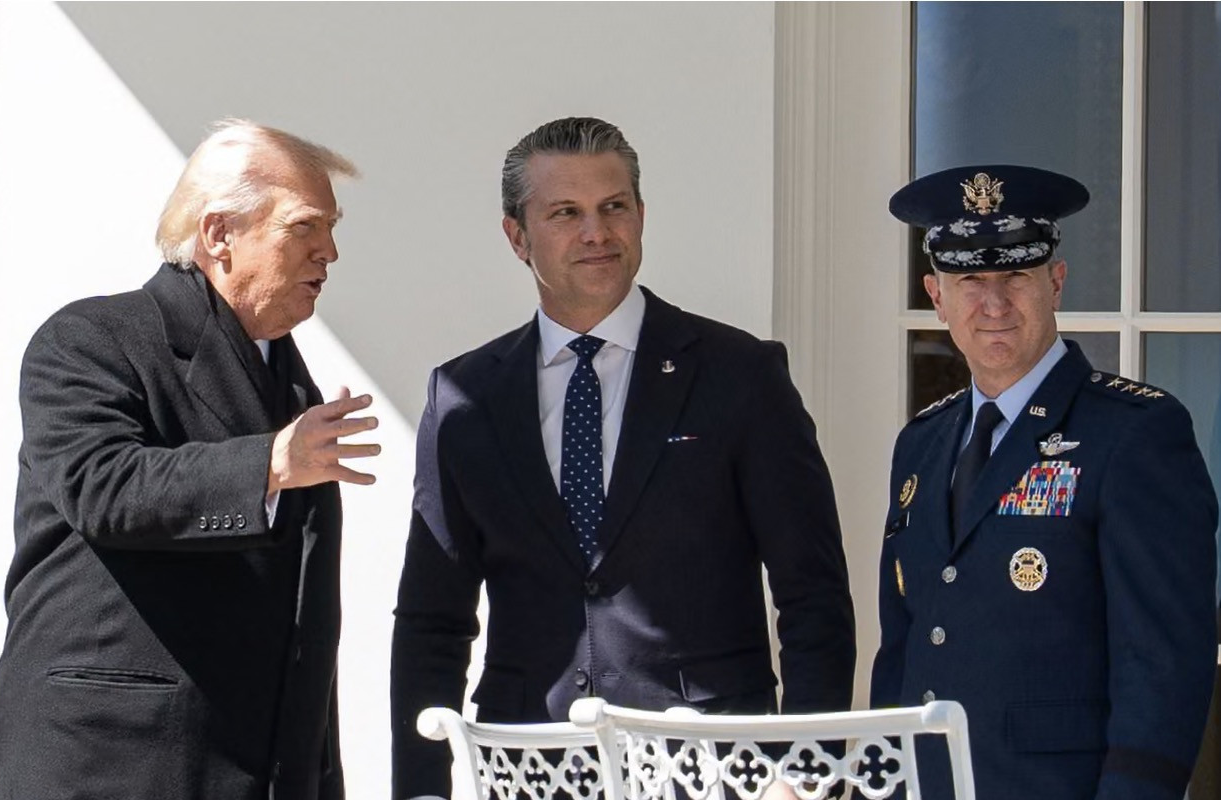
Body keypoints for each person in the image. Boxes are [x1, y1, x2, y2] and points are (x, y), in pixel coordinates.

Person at [390, 116, 856, 799]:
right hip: (530, 765)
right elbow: (433, 619)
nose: (596, 234)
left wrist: (807, 769)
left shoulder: (740, 375)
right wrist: (422, 789)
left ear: (641, 215)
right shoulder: (465, 396)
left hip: (712, 764)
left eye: (614, 208)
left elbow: (812, 592)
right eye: (565, 213)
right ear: (517, 236)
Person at [0, 120, 381, 800]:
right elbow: (102, 487)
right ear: (219, 234)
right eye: (305, 227)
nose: (331, 252)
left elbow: (301, 620)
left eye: (332, 228)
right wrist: (270, 463)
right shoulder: (91, 339)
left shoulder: (290, 380)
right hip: (107, 764)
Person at [873, 164, 1218, 800]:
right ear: (936, 294)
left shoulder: (1135, 433)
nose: (994, 302)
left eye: (1016, 276)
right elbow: (904, 646)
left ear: (1055, 283)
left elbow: (1164, 660)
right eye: (970, 278)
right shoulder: (921, 444)